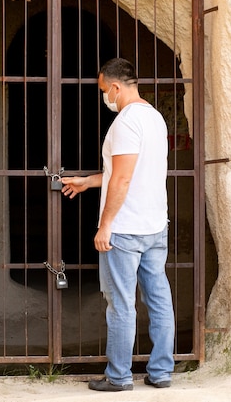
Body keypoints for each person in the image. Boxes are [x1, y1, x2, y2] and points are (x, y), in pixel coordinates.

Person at [61, 58, 175, 392]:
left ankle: (119, 377)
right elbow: (128, 173)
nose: (104, 98)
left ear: (115, 87)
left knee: (121, 304)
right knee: (159, 299)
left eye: (102, 91)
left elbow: (123, 179)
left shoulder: (126, 123)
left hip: (125, 229)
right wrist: (88, 181)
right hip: (155, 225)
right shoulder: (154, 118)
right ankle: (161, 371)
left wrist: (105, 225)